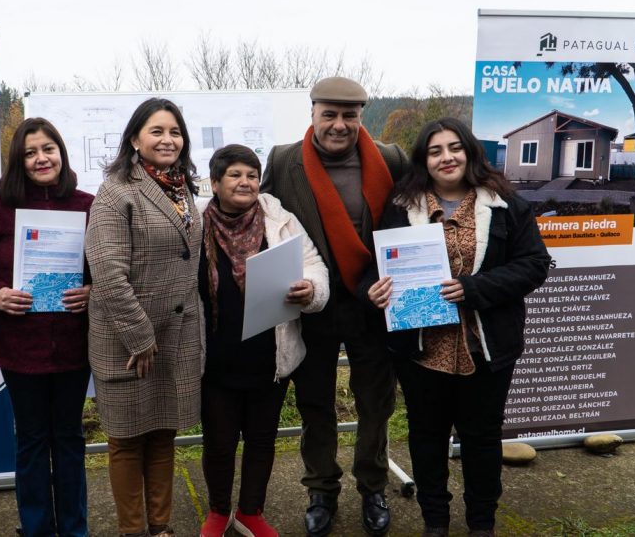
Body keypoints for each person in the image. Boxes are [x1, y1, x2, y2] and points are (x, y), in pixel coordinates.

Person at [363, 118, 550, 536]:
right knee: (426, 437)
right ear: (423, 161)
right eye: (435, 151)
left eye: (454, 148)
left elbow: (535, 265)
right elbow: (371, 268)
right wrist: (371, 291)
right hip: (420, 348)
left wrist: (474, 288)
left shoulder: (506, 204)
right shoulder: (400, 207)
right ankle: (436, 521)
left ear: (469, 152)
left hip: (485, 347)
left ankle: (482, 523)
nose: (446, 157)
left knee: (482, 438)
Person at [261, 77, 408, 536]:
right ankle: (321, 488)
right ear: (313, 113)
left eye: (350, 116)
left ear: (362, 116)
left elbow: (411, 218)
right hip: (314, 303)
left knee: (375, 404)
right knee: (315, 403)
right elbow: (264, 219)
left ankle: (373, 486)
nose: (339, 125)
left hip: (374, 303)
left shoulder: (391, 158)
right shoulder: (284, 160)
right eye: (330, 114)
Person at [197, 144, 330, 537]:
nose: (246, 182)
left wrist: (311, 290)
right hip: (216, 359)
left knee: (261, 440)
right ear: (215, 182)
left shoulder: (280, 220)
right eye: (235, 175)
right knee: (219, 444)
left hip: (270, 356)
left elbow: (315, 267)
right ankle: (219, 511)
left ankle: (251, 511)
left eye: (252, 175)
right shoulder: (194, 224)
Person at [0, 118, 93, 537]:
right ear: (18, 160)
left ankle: (75, 528)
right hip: (20, 351)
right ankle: (37, 528)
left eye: (48, 149)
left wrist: (92, 291)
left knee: (70, 441)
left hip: (75, 349)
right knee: (33, 442)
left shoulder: (87, 204)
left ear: (61, 152)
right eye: (30, 152)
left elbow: (106, 269)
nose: (41, 158)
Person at [85, 98, 203, 537]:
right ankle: (133, 530)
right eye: (157, 131)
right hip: (128, 340)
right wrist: (140, 337)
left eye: (175, 132)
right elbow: (108, 272)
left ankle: (162, 526)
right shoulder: (117, 191)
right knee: (126, 440)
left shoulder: (183, 189)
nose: (167, 139)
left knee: (163, 433)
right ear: (135, 139)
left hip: (176, 336)